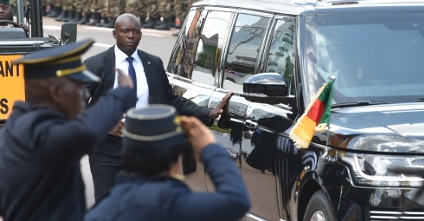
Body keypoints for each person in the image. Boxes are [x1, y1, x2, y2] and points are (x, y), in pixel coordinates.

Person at [84, 13, 232, 201]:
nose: (131, 36)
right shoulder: (96, 65)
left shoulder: (152, 63)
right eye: (125, 31)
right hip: (107, 149)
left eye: (136, 32)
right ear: (115, 34)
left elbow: (172, 101)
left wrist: (208, 113)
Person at [0, 40, 136, 221]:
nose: (86, 94)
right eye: (79, 87)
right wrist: (122, 94)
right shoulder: (38, 134)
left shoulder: (17, 128)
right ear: (56, 92)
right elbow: (86, 132)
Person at [84, 105, 250, 221]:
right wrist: (209, 147)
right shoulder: (173, 205)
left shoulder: (103, 209)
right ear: (178, 157)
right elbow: (237, 201)